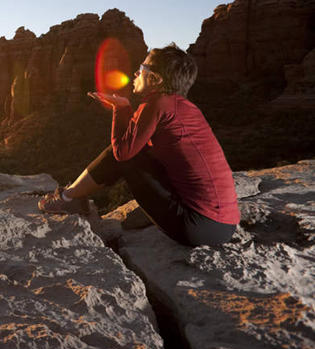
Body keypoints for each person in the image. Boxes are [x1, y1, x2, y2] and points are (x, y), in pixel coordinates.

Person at [38, 44, 240, 246]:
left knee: (125, 156)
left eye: (142, 69)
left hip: (196, 227)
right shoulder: (183, 106)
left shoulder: (157, 104)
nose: (136, 73)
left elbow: (122, 153)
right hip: (224, 226)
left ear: (155, 79)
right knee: (138, 151)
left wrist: (120, 108)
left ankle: (67, 199)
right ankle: (72, 196)